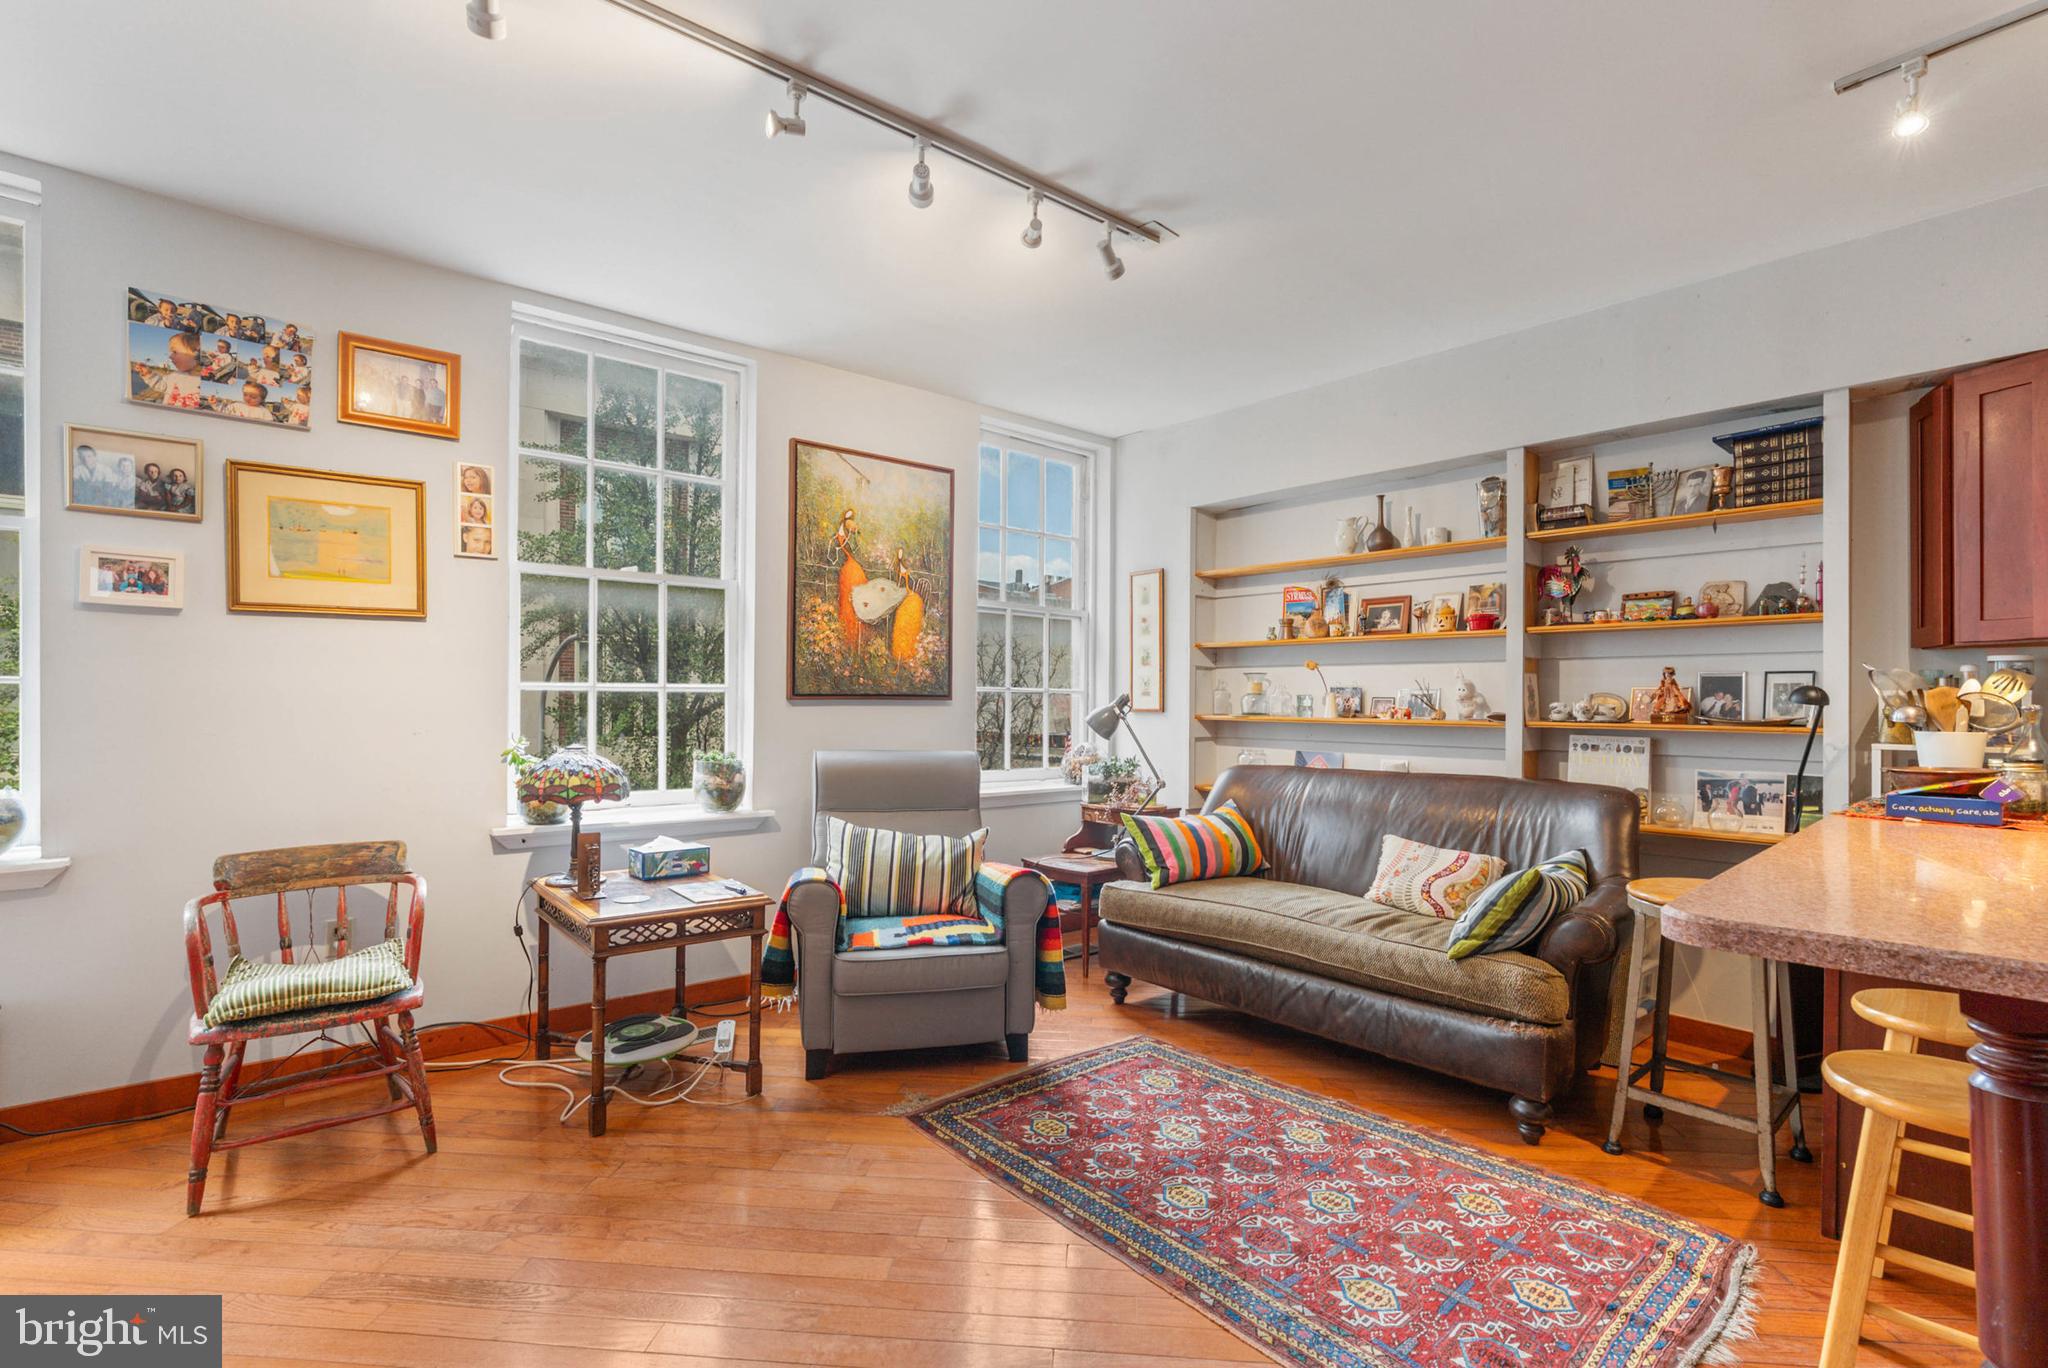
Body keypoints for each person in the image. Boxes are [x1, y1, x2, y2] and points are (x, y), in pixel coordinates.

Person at [145, 332, 205, 409]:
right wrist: (149, 374)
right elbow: (163, 385)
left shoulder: (204, 382)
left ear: (196, 353)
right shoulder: (176, 375)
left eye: (175, 352)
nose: (170, 356)